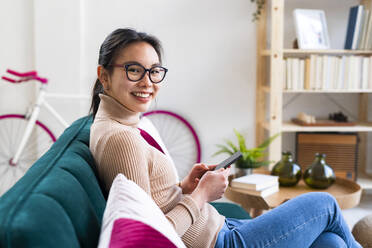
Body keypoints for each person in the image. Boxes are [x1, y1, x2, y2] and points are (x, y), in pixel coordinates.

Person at [89, 28, 361, 248]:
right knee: (323, 203)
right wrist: (202, 195)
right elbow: (156, 236)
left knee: (332, 243)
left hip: (220, 228)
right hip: (222, 242)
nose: (148, 82)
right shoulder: (120, 138)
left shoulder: (119, 123)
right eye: (134, 70)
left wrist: (186, 186)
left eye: (154, 71)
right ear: (105, 75)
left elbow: (151, 201)